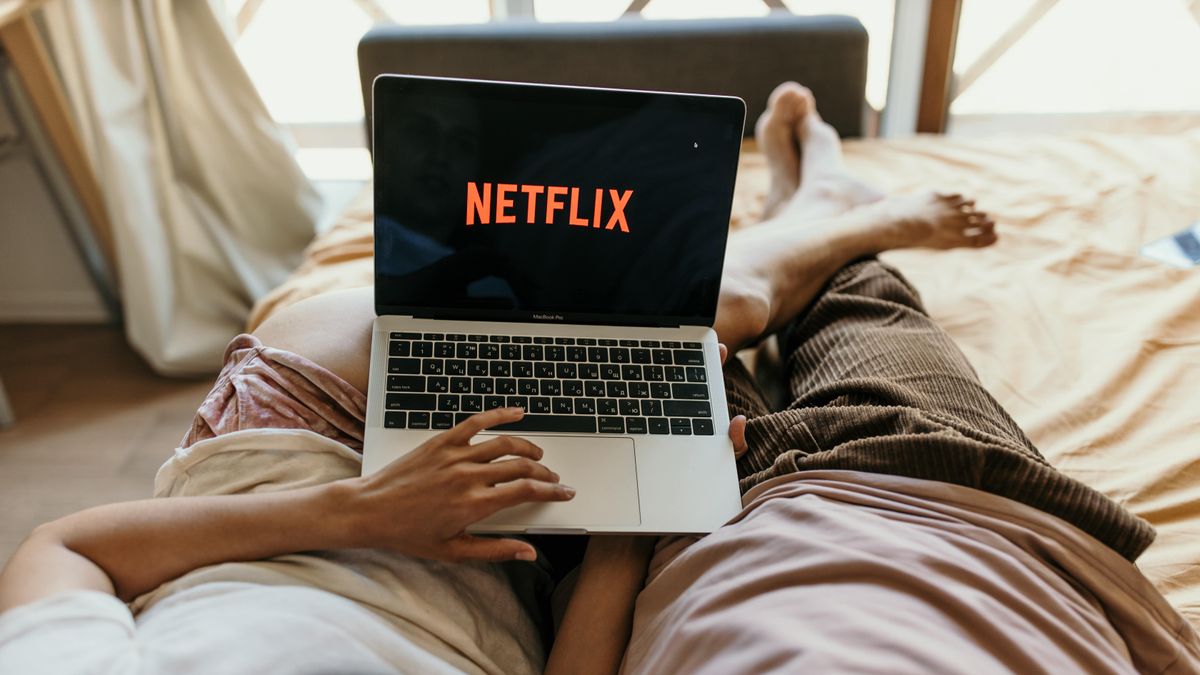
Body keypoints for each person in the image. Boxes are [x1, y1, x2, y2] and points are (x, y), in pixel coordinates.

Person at [0, 84, 1191, 674]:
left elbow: (68, 549)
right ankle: (823, 215)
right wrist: (630, 527)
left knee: (617, 304)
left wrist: (359, 512)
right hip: (507, 559)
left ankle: (816, 219)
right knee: (674, 330)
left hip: (292, 463)